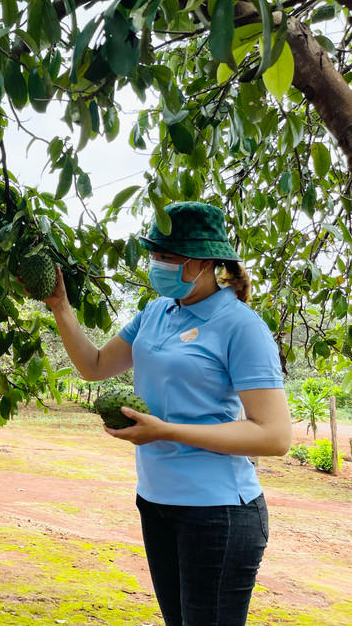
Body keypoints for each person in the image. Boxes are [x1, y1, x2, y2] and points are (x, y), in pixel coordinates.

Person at [38, 201, 291, 625]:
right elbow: (95, 366)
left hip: (217, 511)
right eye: (155, 255)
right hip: (155, 501)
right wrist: (60, 306)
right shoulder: (156, 312)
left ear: (205, 262)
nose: (157, 265)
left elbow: (274, 436)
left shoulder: (241, 326)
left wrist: (166, 431)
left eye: (169, 258)